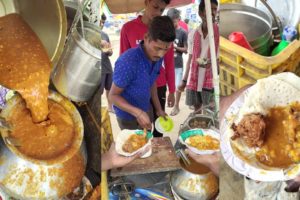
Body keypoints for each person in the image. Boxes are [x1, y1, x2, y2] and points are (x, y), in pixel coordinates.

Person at [119, 0, 175, 137]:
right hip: (133, 89)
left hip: (156, 86)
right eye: (155, 7)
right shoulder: (128, 29)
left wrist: (171, 90)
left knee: (155, 129)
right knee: (136, 135)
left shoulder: (165, 37)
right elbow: (123, 61)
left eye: (162, 10)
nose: (157, 13)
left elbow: (169, 64)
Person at [178, 0, 219, 114]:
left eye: (215, 9)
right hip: (195, 80)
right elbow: (190, 60)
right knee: (197, 112)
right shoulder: (193, 34)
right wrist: (184, 80)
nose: (212, 12)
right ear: (201, 13)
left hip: (211, 81)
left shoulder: (219, 34)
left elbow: (221, 60)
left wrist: (214, 64)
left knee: (210, 113)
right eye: (208, 9)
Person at [166, 8, 188, 116]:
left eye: (173, 22)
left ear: (178, 19)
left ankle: (176, 106)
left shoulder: (183, 33)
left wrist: (175, 47)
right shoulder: (166, 32)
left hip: (178, 64)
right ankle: (169, 101)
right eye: (169, 22)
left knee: (178, 86)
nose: (171, 24)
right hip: (166, 64)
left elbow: (186, 49)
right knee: (167, 86)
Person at [98, 14, 114, 112]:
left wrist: (109, 51)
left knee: (110, 88)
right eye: (101, 21)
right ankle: (98, 108)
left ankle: (110, 107)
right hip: (99, 68)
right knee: (99, 91)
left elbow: (110, 52)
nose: (102, 24)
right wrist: (99, 42)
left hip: (107, 66)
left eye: (103, 22)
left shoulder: (105, 35)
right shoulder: (93, 33)